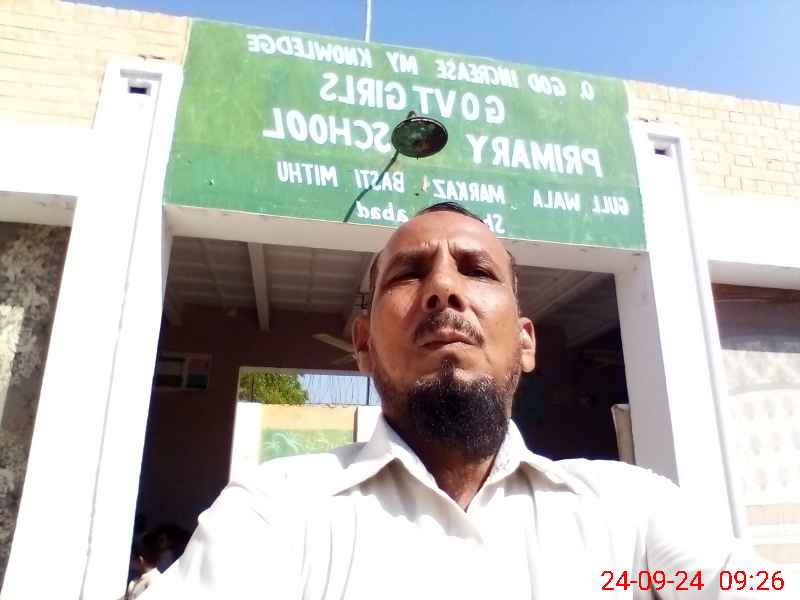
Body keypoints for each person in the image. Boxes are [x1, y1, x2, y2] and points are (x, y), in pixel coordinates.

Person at [142, 202, 784, 598]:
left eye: (476, 271)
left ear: (526, 341)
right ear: (362, 344)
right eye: (408, 273)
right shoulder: (276, 511)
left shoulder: (632, 511)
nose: (443, 289)